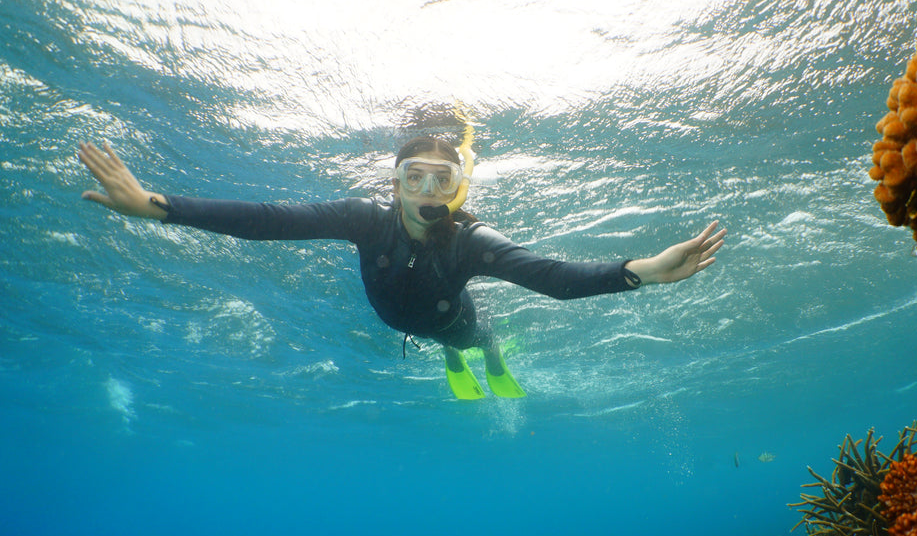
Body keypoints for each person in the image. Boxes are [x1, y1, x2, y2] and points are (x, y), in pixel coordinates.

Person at [77, 136, 726, 399]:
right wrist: (158, 207)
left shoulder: (471, 241)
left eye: (441, 179)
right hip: (399, 320)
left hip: (454, 316)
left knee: (476, 339)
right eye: (412, 176)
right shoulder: (367, 219)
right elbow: (272, 219)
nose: (425, 190)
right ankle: (452, 360)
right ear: (393, 183)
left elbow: (551, 278)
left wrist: (643, 270)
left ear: (457, 190)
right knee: (442, 345)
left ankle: (485, 358)